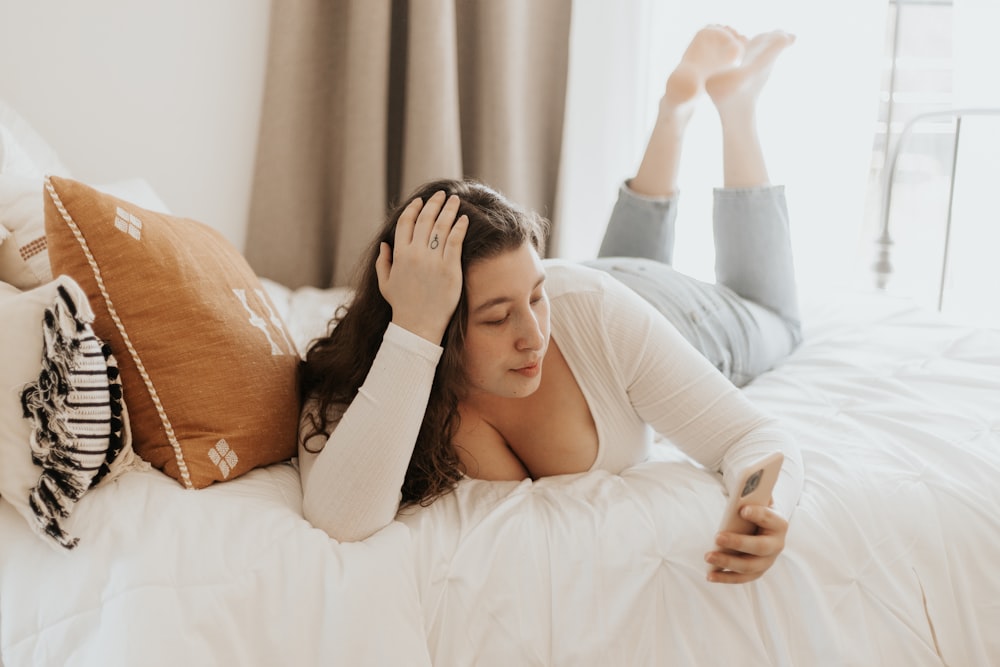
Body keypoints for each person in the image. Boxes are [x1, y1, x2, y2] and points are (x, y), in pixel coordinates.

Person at [298, 26, 804, 584]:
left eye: (535, 298)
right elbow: (341, 518)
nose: (533, 335)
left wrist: (767, 507)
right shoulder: (377, 366)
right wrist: (413, 331)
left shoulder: (586, 310)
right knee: (595, 290)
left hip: (668, 311)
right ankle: (674, 114)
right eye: (496, 317)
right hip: (604, 295)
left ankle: (734, 108)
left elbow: (750, 437)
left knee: (777, 319)